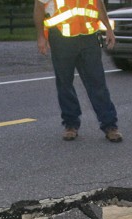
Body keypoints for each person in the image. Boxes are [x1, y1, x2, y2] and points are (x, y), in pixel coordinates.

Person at [34, 0, 123, 142]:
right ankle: (70, 124)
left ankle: (110, 126)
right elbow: (38, 8)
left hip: (89, 38)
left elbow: (98, 4)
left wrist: (108, 28)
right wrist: (40, 37)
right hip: (61, 38)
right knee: (65, 83)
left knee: (97, 83)